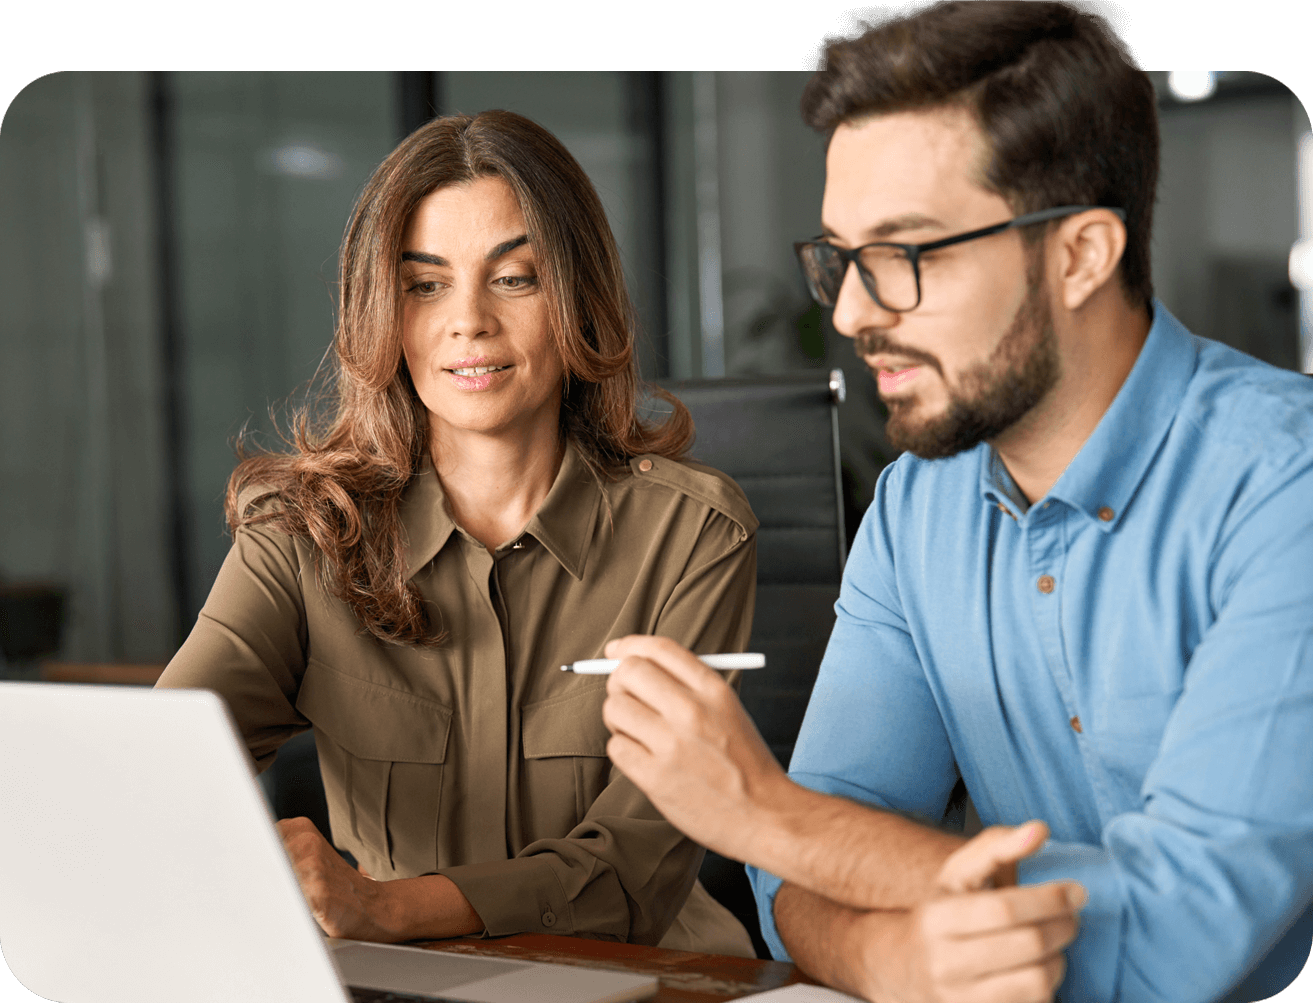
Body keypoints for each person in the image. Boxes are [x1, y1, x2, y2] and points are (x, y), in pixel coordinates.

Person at [599, 2, 1313, 1001]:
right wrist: (886, 957)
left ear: (1078, 255)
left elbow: (1176, 933)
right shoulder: (913, 507)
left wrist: (761, 812)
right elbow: (794, 878)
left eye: (904, 256)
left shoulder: (1287, 489)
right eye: (839, 258)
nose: (849, 312)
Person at [154, 110, 758, 959]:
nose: (467, 321)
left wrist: (389, 906)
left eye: (513, 278)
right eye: (424, 284)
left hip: (647, 975)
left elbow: (634, 864)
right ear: (382, 309)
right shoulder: (299, 536)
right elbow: (158, 765)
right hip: (396, 979)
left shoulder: (691, 532)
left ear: (576, 296)